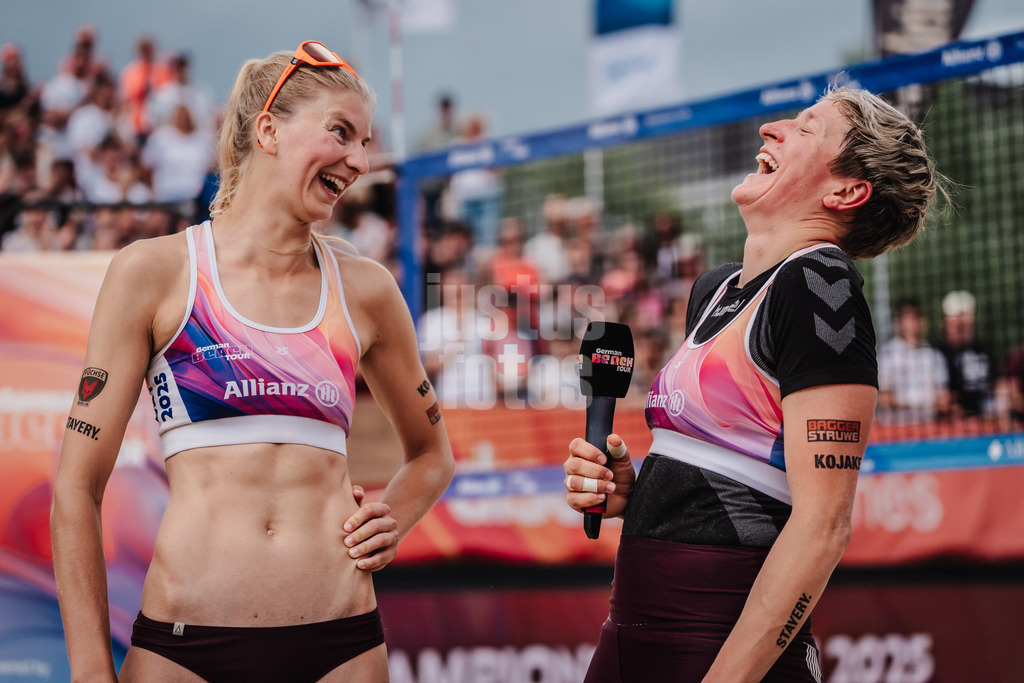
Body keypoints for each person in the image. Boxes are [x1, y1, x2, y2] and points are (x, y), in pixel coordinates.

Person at [51, 40, 455, 682]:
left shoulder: (367, 289)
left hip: (343, 647)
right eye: (341, 133)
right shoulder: (154, 272)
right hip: (185, 650)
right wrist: (90, 669)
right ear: (268, 128)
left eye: (365, 142)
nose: (359, 160)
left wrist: (392, 519)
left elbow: (433, 456)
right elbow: (75, 487)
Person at [563, 86, 942, 682]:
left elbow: (823, 526)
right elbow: (741, 473)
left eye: (807, 127)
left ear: (845, 191)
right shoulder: (715, 289)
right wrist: (635, 496)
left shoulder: (821, 285)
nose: (772, 128)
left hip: (720, 644)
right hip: (630, 630)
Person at [877, 297, 951, 424]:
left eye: (916, 316)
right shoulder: (888, 354)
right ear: (898, 322)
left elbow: (944, 400)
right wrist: (921, 404)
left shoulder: (934, 355)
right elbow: (884, 398)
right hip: (896, 428)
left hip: (929, 427)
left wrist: (910, 403)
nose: (913, 322)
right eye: (908, 317)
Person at [934, 290, 995, 418]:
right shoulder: (937, 353)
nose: (961, 322)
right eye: (956, 317)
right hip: (951, 421)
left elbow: (996, 383)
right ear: (945, 321)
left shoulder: (982, 349)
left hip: (986, 418)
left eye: (965, 316)